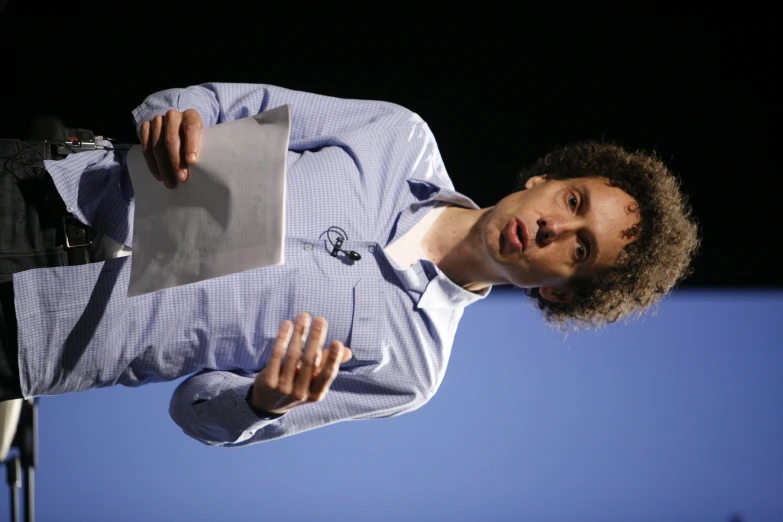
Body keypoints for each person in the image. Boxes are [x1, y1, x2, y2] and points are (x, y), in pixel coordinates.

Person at [0, 83, 700, 447]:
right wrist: (176, 118)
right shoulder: (398, 135)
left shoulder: (410, 370)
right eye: (572, 200)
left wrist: (259, 404)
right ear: (548, 177)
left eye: (579, 248)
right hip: (42, 191)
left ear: (560, 293)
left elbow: (196, 411)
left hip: (34, 339)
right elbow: (217, 103)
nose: (554, 225)